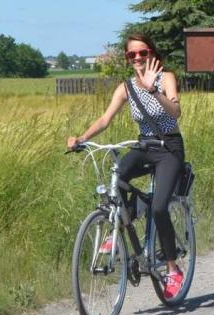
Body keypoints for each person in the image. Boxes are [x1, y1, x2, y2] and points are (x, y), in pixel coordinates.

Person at [66, 34, 186, 298]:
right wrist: (82, 138)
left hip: (168, 149)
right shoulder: (126, 88)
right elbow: (105, 119)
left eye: (142, 53)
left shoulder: (165, 78)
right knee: (116, 177)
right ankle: (120, 224)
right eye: (132, 55)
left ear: (152, 54)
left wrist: (152, 89)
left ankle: (172, 268)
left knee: (159, 207)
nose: (138, 59)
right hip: (144, 146)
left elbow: (176, 112)